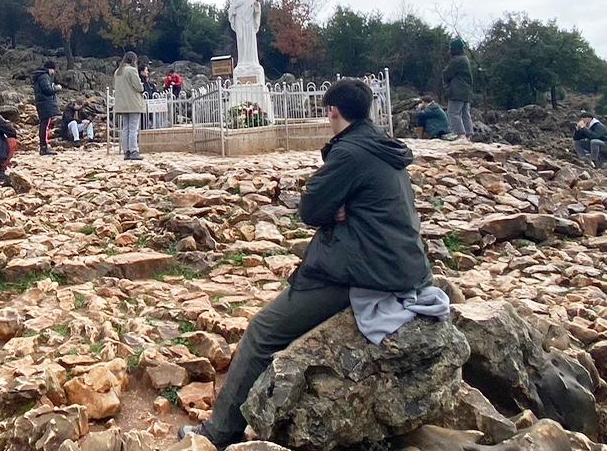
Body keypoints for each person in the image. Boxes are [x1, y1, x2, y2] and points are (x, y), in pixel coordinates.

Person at [180, 79, 434, 448]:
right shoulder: (381, 147)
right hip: (403, 264)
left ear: (333, 111)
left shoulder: (348, 154)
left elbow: (311, 208)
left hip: (367, 270)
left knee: (263, 331)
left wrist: (334, 208)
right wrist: (339, 208)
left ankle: (218, 432)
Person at [114, 51, 146, 160]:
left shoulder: (118, 71)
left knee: (125, 128)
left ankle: (126, 151)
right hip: (133, 103)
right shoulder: (132, 70)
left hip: (122, 104)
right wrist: (142, 85)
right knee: (133, 128)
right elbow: (138, 87)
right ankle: (134, 151)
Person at [442, 39, 473, 140]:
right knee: (465, 113)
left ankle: (460, 135)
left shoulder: (457, 60)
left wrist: (447, 86)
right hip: (466, 91)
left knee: (453, 112)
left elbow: (446, 73)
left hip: (457, 90)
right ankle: (468, 134)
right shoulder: (465, 59)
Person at [31, 60, 61, 156]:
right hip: (45, 105)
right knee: (45, 126)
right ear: (50, 69)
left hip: (42, 104)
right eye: (53, 70)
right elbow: (47, 90)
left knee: (44, 125)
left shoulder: (40, 76)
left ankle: (44, 146)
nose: (53, 73)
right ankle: (44, 147)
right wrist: (57, 88)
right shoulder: (44, 77)